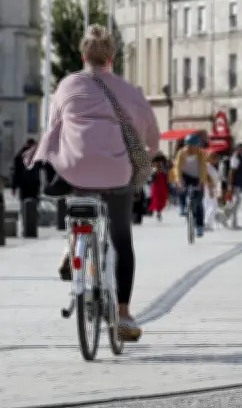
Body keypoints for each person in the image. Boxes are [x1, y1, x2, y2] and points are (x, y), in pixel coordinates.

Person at [26, 24, 160, 342]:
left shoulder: (67, 85)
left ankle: (72, 246)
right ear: (112, 57)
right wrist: (146, 157)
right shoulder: (129, 92)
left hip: (74, 169)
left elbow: (54, 127)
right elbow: (151, 137)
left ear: (83, 54)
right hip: (116, 172)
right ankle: (124, 314)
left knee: (80, 204)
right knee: (122, 240)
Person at [174, 134, 214, 238]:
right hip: (185, 175)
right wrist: (179, 180)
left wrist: (201, 182)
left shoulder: (201, 154)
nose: (191, 149)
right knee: (181, 187)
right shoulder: (181, 153)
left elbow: (204, 169)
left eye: (194, 146)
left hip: (197, 177)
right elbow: (177, 167)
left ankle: (200, 226)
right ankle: (182, 205)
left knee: (199, 203)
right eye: (189, 146)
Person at [225, 143, 242, 229]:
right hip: (235, 184)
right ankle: (225, 215)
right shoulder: (235, 158)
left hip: (237, 184)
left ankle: (233, 223)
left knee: (235, 202)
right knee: (236, 202)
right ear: (238, 149)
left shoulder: (240, 157)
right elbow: (232, 172)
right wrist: (231, 185)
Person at [12, 139, 41, 205]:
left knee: (24, 203)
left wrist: (14, 187)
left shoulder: (19, 156)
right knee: (34, 202)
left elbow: (16, 173)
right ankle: (33, 214)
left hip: (24, 184)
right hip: (34, 183)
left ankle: (25, 213)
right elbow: (41, 166)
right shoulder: (36, 155)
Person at [149, 153, 169, 221]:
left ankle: (159, 211)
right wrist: (155, 173)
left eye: (160, 162)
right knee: (157, 199)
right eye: (157, 162)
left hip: (163, 186)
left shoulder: (164, 170)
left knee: (162, 199)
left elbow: (166, 179)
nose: (159, 163)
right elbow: (152, 179)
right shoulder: (153, 170)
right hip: (156, 186)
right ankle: (158, 212)